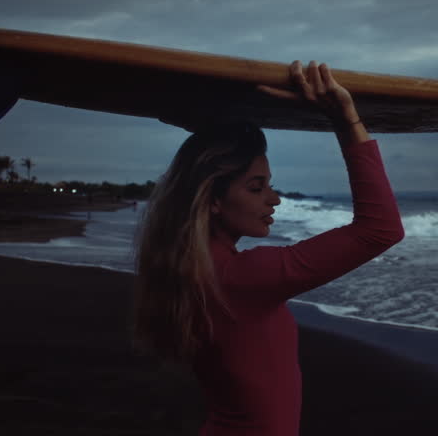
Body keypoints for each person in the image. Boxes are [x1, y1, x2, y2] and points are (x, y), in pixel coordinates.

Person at [133, 60, 404, 435]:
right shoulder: (242, 278)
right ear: (212, 198)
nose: (274, 199)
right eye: (256, 187)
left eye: (269, 185)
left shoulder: (182, 268)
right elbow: (380, 229)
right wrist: (345, 121)